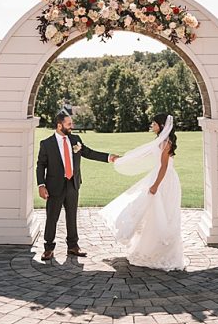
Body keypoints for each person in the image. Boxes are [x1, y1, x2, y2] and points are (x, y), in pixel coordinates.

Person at [100, 113, 187, 271]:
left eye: (154, 124)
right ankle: (150, 248)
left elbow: (164, 166)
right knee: (151, 213)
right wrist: (123, 159)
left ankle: (163, 252)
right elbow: (144, 154)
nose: (152, 126)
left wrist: (155, 185)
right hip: (158, 176)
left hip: (165, 181)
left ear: (161, 125)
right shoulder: (159, 140)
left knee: (163, 214)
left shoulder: (166, 143)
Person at [36, 112, 118, 261]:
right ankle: (48, 248)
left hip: (73, 184)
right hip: (54, 186)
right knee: (52, 218)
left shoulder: (75, 140)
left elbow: (88, 152)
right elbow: (41, 166)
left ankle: (73, 246)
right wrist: (41, 185)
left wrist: (109, 157)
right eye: (69, 124)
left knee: (72, 216)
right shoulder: (46, 144)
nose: (72, 126)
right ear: (59, 125)